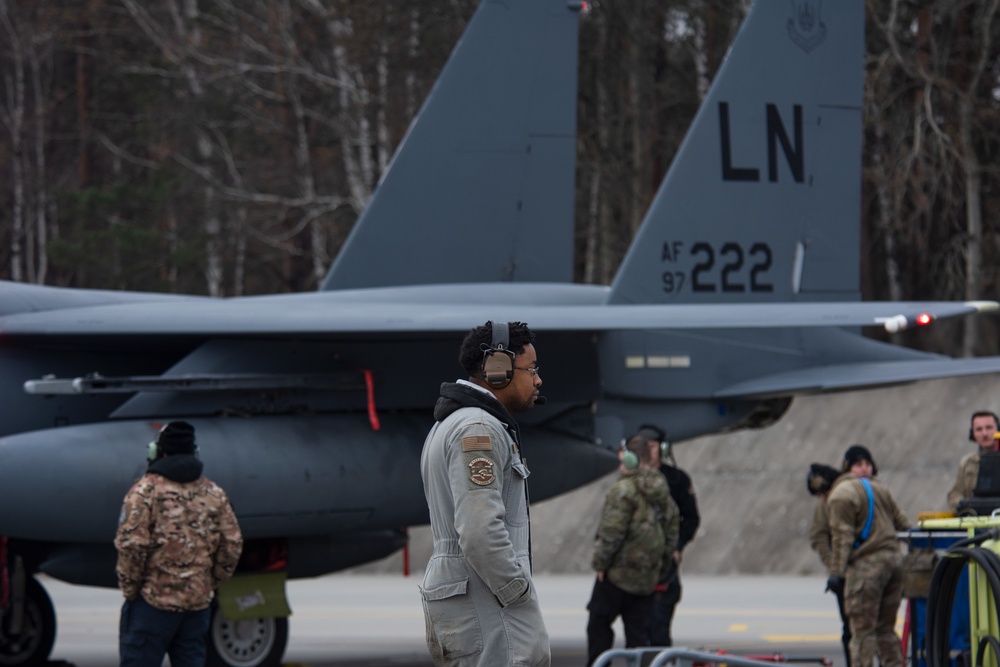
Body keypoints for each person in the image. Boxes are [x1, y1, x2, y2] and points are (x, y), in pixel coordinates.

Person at [418, 321, 550, 667]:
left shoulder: (451, 423)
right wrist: (517, 592)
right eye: (531, 369)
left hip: (472, 599)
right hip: (487, 602)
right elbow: (479, 532)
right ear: (498, 369)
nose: (537, 380)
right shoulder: (478, 429)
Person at [115, 421, 243, 667]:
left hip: (151, 605)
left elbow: (132, 546)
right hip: (196, 606)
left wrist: (131, 590)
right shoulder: (214, 493)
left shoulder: (144, 492)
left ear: (157, 453)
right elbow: (232, 545)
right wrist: (207, 583)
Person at [586, 433, 680, 666]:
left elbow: (612, 533)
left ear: (631, 458)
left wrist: (600, 564)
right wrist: (659, 569)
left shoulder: (624, 490)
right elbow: (671, 533)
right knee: (638, 637)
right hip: (646, 579)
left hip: (616, 575)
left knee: (598, 626)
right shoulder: (662, 490)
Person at [826, 444, 910, 667]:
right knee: (886, 631)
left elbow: (842, 537)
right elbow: (903, 523)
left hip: (866, 569)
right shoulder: (882, 489)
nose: (864, 468)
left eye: (867, 463)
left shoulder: (841, 495)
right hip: (893, 563)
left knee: (862, 634)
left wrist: (836, 572)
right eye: (859, 464)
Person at [634, 424, 699, 648]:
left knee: (658, 629)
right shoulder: (631, 481)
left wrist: (677, 546)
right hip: (635, 568)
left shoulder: (677, 480)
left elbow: (690, 518)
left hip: (664, 566)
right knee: (636, 633)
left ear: (662, 449)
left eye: (650, 447)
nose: (646, 452)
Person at [806, 462, 851, 667]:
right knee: (852, 629)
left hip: (862, 570)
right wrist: (835, 566)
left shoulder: (854, 494)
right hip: (846, 574)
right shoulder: (826, 505)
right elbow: (818, 537)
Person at [947, 410, 1000, 510]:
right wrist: (962, 505)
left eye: (989, 428)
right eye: (979, 429)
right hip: (976, 520)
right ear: (973, 433)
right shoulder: (968, 462)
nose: (984, 433)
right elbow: (955, 493)